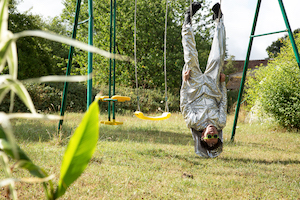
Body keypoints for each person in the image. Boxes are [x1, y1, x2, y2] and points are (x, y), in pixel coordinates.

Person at [180, 2, 227, 158]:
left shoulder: (193, 123)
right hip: (213, 87)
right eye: (216, 137)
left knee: (190, 55)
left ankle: (187, 20)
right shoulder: (220, 122)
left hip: (194, 88)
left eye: (209, 137)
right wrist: (222, 84)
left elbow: (184, 102)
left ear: (202, 136)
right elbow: (223, 103)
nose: (213, 133)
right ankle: (218, 21)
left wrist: (185, 82)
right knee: (218, 57)